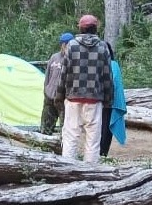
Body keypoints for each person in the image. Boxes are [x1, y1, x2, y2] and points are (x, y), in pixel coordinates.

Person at [55, 15, 113, 163]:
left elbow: (64, 73)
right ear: (95, 28)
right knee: (93, 139)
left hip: (73, 98)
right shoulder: (103, 47)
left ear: (80, 28)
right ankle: (91, 172)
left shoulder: (71, 45)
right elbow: (107, 76)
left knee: (70, 137)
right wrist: (108, 100)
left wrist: (59, 97)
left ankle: (67, 170)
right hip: (94, 99)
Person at [40, 32, 73, 135]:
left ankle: (63, 148)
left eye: (69, 44)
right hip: (49, 98)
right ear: (62, 44)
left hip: (64, 100)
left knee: (66, 128)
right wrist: (46, 90)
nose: (66, 46)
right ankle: (44, 145)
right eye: (65, 44)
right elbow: (47, 76)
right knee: (46, 127)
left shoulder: (74, 59)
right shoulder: (54, 57)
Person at [100, 41, 127, 157]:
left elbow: (116, 83)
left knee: (105, 128)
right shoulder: (100, 63)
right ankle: (100, 153)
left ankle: (102, 153)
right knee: (100, 128)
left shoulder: (113, 65)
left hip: (108, 102)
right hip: (100, 101)